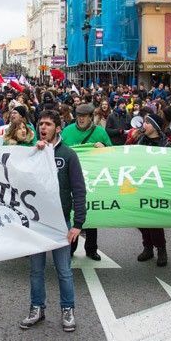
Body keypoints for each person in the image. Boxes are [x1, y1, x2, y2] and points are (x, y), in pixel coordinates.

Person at [20, 110, 85, 332]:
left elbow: (79, 190)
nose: (43, 128)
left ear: (58, 128)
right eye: (40, 124)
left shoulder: (68, 155)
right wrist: (34, 155)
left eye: (48, 124)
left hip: (60, 224)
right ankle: (36, 308)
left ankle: (68, 309)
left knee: (63, 270)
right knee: (36, 270)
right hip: (37, 223)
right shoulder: (33, 153)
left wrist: (78, 224)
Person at [61, 103, 111, 261]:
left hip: (93, 180)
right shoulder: (67, 131)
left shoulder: (100, 132)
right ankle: (71, 247)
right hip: (71, 179)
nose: (81, 119)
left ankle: (91, 249)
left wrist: (104, 147)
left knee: (92, 214)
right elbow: (59, 150)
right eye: (79, 116)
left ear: (91, 117)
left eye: (84, 116)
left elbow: (113, 154)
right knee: (72, 213)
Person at [134, 113, 170, 267]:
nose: (144, 125)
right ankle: (147, 247)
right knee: (141, 219)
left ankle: (161, 249)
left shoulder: (166, 144)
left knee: (154, 220)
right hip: (141, 184)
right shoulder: (141, 140)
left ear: (155, 126)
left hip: (157, 186)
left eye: (147, 122)